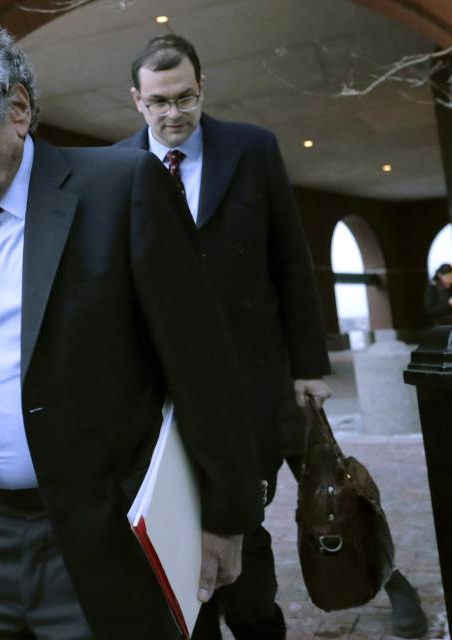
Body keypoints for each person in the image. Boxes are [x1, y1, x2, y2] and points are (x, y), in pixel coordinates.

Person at [0, 16, 262, 639]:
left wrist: (225, 516)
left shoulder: (123, 189)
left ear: (19, 109)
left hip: (97, 532)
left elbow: (202, 362)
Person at [117, 34, 332, 640]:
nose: (173, 113)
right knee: (174, 517)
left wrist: (308, 367)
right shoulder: (116, 168)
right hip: (159, 389)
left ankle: (257, 620)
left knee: (243, 513)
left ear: (202, 87)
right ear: (137, 101)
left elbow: (291, 260)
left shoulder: (252, 150)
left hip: (248, 378)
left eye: (184, 97)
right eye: (158, 102)